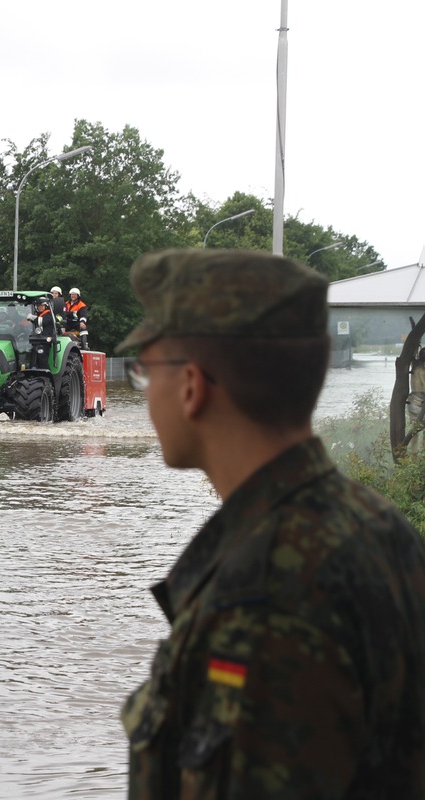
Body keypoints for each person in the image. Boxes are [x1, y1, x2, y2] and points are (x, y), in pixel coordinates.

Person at [117, 248, 425, 799]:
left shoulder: (264, 595)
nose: (143, 392)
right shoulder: (380, 527)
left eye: (144, 370)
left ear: (192, 386)